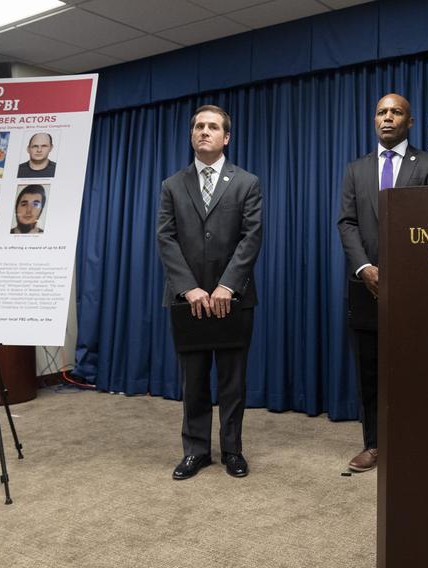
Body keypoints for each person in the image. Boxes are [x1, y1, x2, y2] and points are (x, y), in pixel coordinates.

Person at [337, 93, 428, 473]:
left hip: (415, 290)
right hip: (365, 288)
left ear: (410, 122)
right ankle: (374, 444)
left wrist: (407, 271)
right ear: (374, 120)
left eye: (396, 112)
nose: (387, 118)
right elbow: (346, 223)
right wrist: (364, 268)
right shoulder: (355, 169)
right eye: (381, 112)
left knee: (415, 367)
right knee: (369, 371)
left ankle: (416, 441)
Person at [157, 105, 262, 480]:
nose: (204, 131)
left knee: (233, 381)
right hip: (187, 301)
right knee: (194, 379)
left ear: (226, 137)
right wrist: (190, 289)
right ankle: (196, 451)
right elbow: (165, 238)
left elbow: (251, 238)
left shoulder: (246, 182)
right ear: (191, 135)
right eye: (199, 126)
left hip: (234, 299)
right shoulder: (172, 185)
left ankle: (232, 449)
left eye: (213, 126)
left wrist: (226, 285)